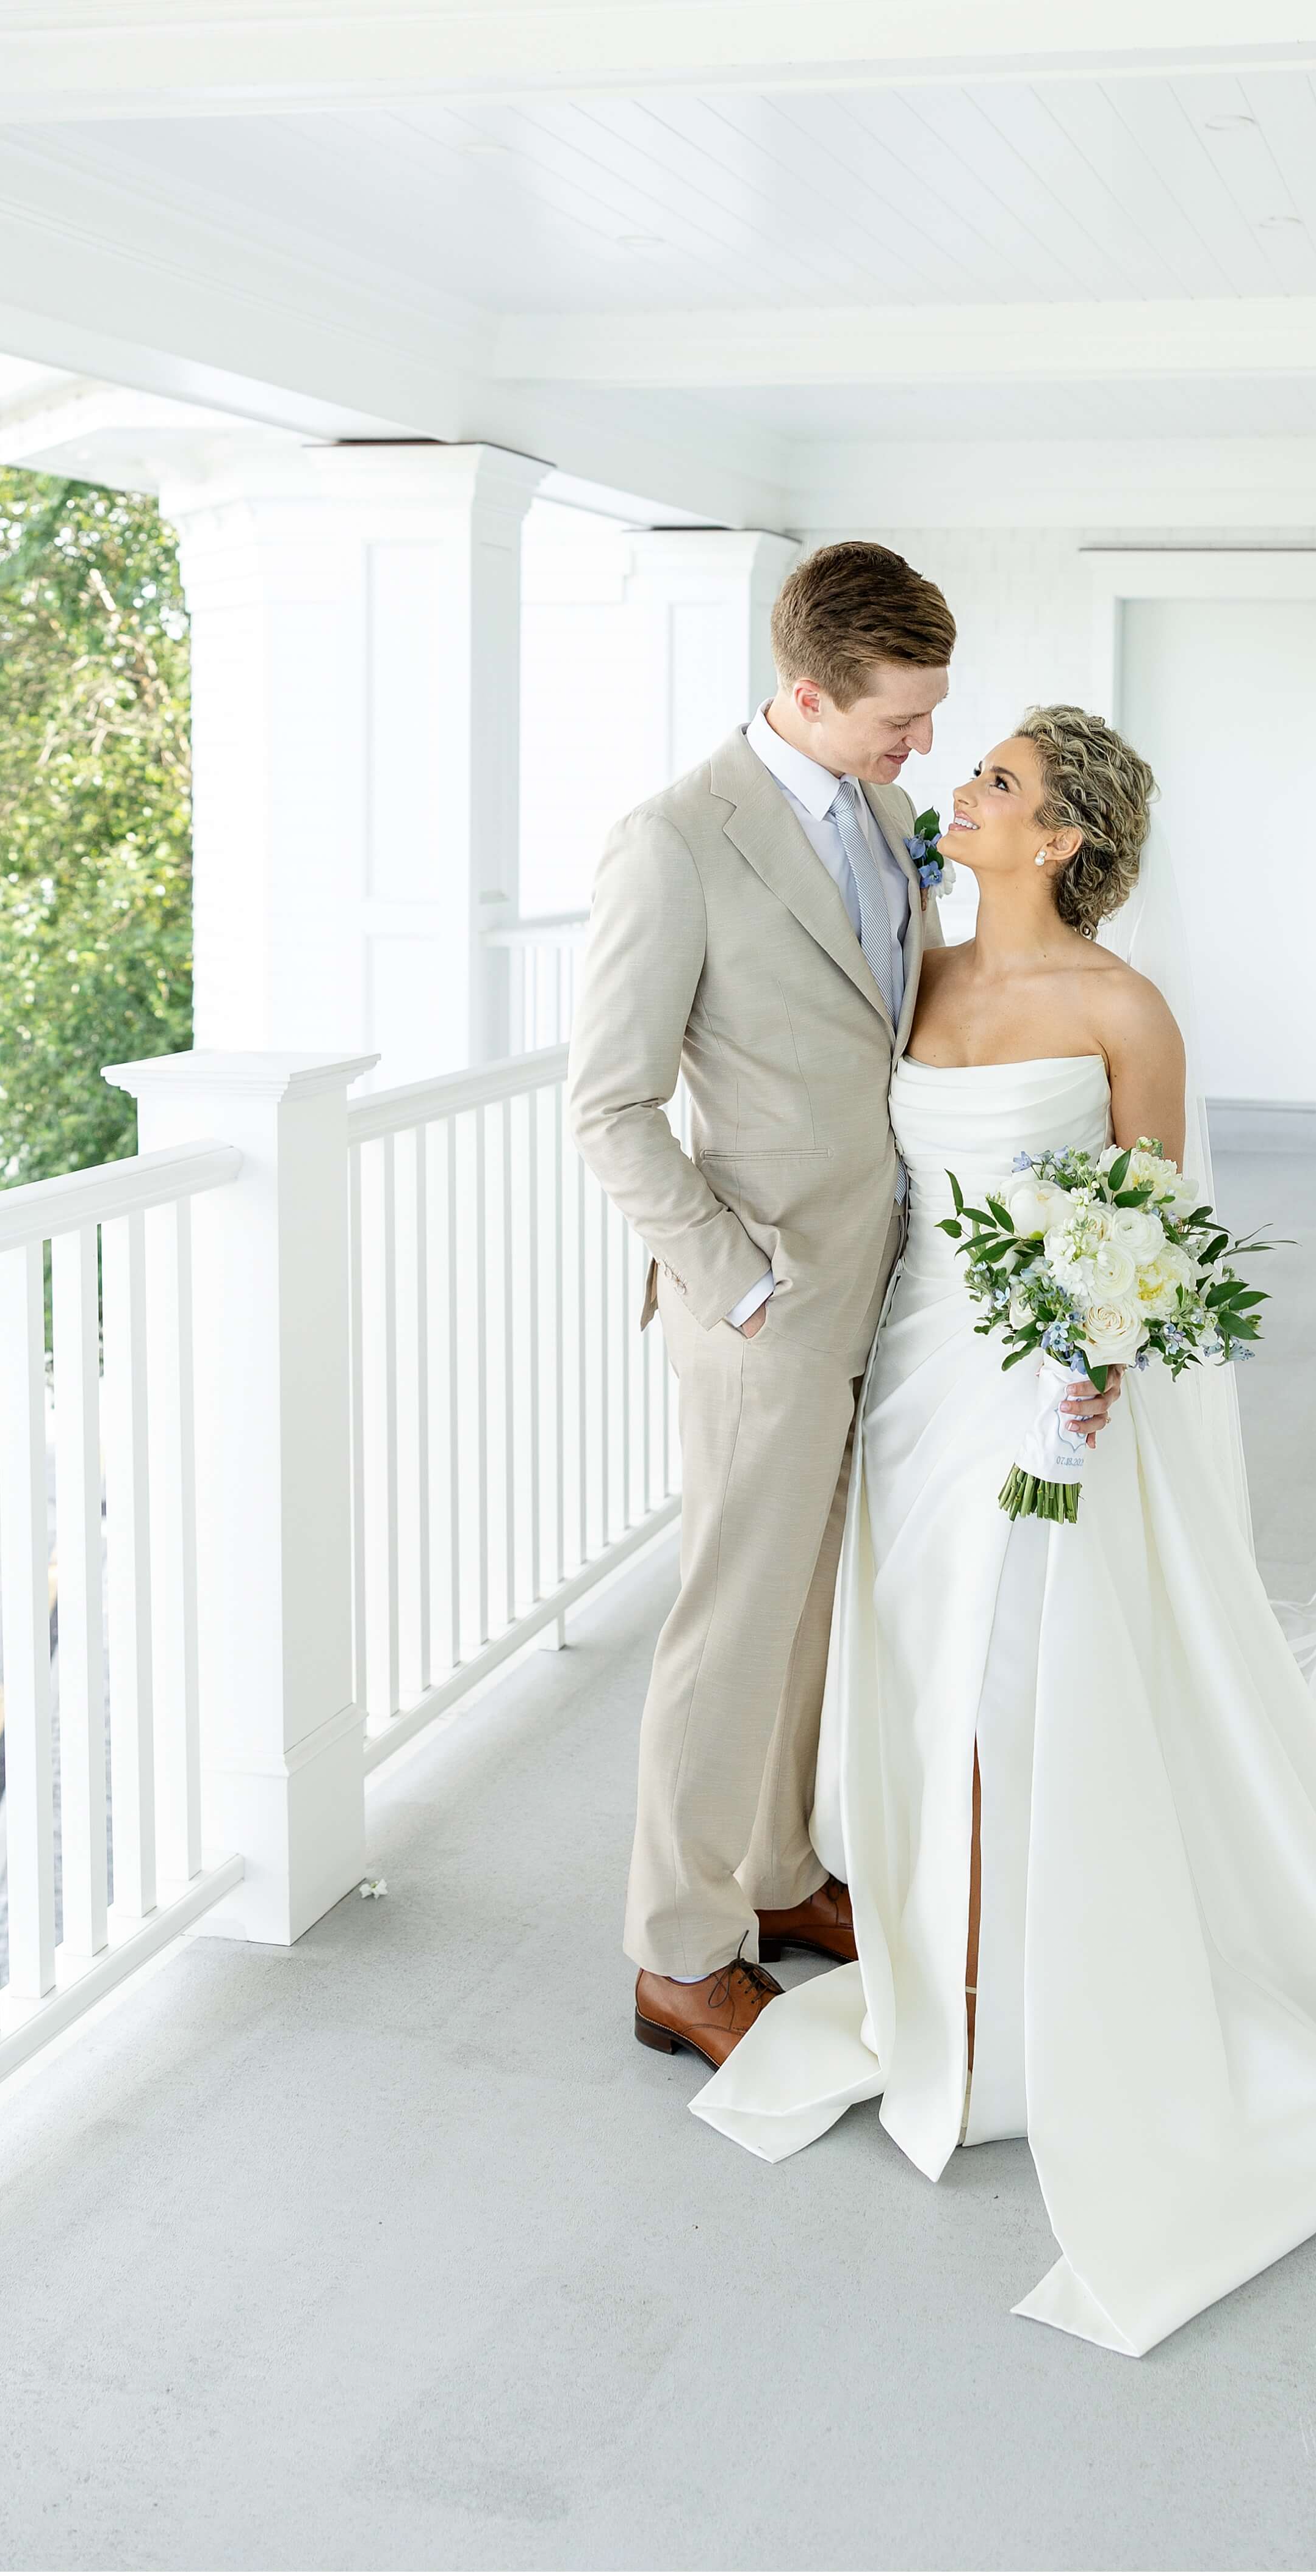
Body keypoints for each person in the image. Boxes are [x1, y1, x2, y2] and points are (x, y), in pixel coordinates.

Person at [693, 704, 1316, 2356]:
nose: (962, 793)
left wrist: (1093, 1354)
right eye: (970, 771)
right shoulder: (910, 971)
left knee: (1008, 1672)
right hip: (919, 1370)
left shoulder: (1121, 1004)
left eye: (994, 780)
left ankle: (1005, 2007)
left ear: (1059, 834)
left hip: (1048, 1394)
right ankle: (949, 1951)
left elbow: (1152, 1211)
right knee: (917, 1663)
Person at [566, 541, 960, 2076]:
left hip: (885, 1274)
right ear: (806, 690)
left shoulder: (886, 809)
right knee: (731, 1623)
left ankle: (783, 1872)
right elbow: (607, 1107)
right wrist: (733, 1284)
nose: (918, 745)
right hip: (764, 1299)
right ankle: (677, 1949)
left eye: (927, 718)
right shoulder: (671, 843)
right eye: (895, 719)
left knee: (806, 1607)